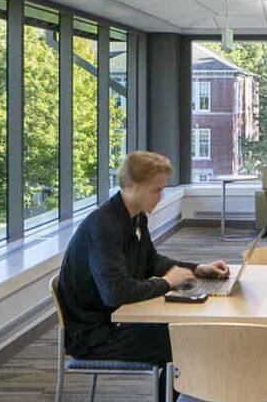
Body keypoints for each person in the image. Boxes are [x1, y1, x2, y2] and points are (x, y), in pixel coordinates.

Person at [55, 151, 229, 393]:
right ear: (130, 185)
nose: (160, 197)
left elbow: (150, 261)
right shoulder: (104, 225)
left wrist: (196, 268)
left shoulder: (135, 218)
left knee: (186, 332)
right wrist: (168, 283)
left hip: (116, 319)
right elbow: (115, 293)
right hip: (94, 335)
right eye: (155, 190)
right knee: (182, 341)